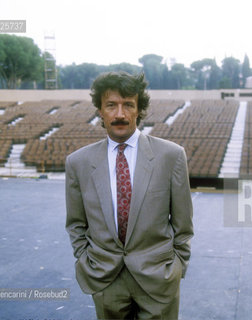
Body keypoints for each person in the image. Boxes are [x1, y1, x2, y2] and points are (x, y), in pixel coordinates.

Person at [65, 71, 194, 319]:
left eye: (128, 105)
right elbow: (75, 224)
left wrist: (176, 266)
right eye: (111, 105)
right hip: (106, 280)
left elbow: (183, 224)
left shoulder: (171, 156)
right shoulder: (78, 163)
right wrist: (85, 259)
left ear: (139, 110)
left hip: (159, 278)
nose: (120, 114)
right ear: (100, 111)